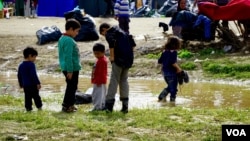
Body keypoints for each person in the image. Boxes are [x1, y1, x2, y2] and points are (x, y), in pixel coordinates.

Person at [99, 22, 136, 113]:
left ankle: (109, 106)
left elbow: (111, 44)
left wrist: (112, 57)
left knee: (114, 80)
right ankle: (125, 106)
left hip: (118, 59)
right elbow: (133, 45)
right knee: (124, 80)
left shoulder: (109, 33)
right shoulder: (123, 32)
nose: (104, 36)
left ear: (104, 29)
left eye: (103, 34)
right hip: (128, 59)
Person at [58, 18, 81, 113]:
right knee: (71, 87)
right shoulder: (68, 41)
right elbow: (68, 56)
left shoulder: (62, 38)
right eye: (76, 31)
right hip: (71, 68)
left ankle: (70, 104)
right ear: (71, 29)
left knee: (72, 86)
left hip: (66, 67)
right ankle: (67, 106)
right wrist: (70, 70)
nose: (77, 33)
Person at [157, 36, 183, 102]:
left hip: (165, 73)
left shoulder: (164, 51)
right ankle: (172, 101)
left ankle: (162, 97)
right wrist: (179, 69)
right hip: (172, 73)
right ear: (176, 44)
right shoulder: (174, 52)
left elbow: (159, 61)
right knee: (173, 89)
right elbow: (173, 62)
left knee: (171, 86)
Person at [17, 47, 42, 111]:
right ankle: (39, 108)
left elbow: (19, 75)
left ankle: (28, 109)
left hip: (26, 86)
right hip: (33, 85)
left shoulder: (21, 65)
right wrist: (38, 83)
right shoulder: (31, 64)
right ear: (30, 56)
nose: (35, 59)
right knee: (36, 97)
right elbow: (33, 75)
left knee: (27, 98)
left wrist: (21, 84)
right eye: (34, 57)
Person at [90, 43, 108, 111]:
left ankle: (97, 107)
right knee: (101, 94)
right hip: (99, 80)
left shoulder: (102, 61)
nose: (96, 55)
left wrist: (98, 81)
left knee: (97, 95)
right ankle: (102, 106)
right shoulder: (100, 59)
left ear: (103, 52)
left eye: (98, 53)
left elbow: (101, 73)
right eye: (95, 53)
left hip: (99, 81)